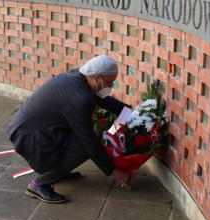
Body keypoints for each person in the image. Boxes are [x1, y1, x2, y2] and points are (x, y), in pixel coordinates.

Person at [8, 55, 131, 204]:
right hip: (30, 137)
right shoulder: (79, 97)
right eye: (109, 83)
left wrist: (131, 113)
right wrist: (112, 170)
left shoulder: (79, 77)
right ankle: (39, 184)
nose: (110, 87)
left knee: (82, 142)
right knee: (84, 147)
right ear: (97, 78)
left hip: (36, 129)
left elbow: (103, 99)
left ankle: (60, 172)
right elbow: (88, 139)